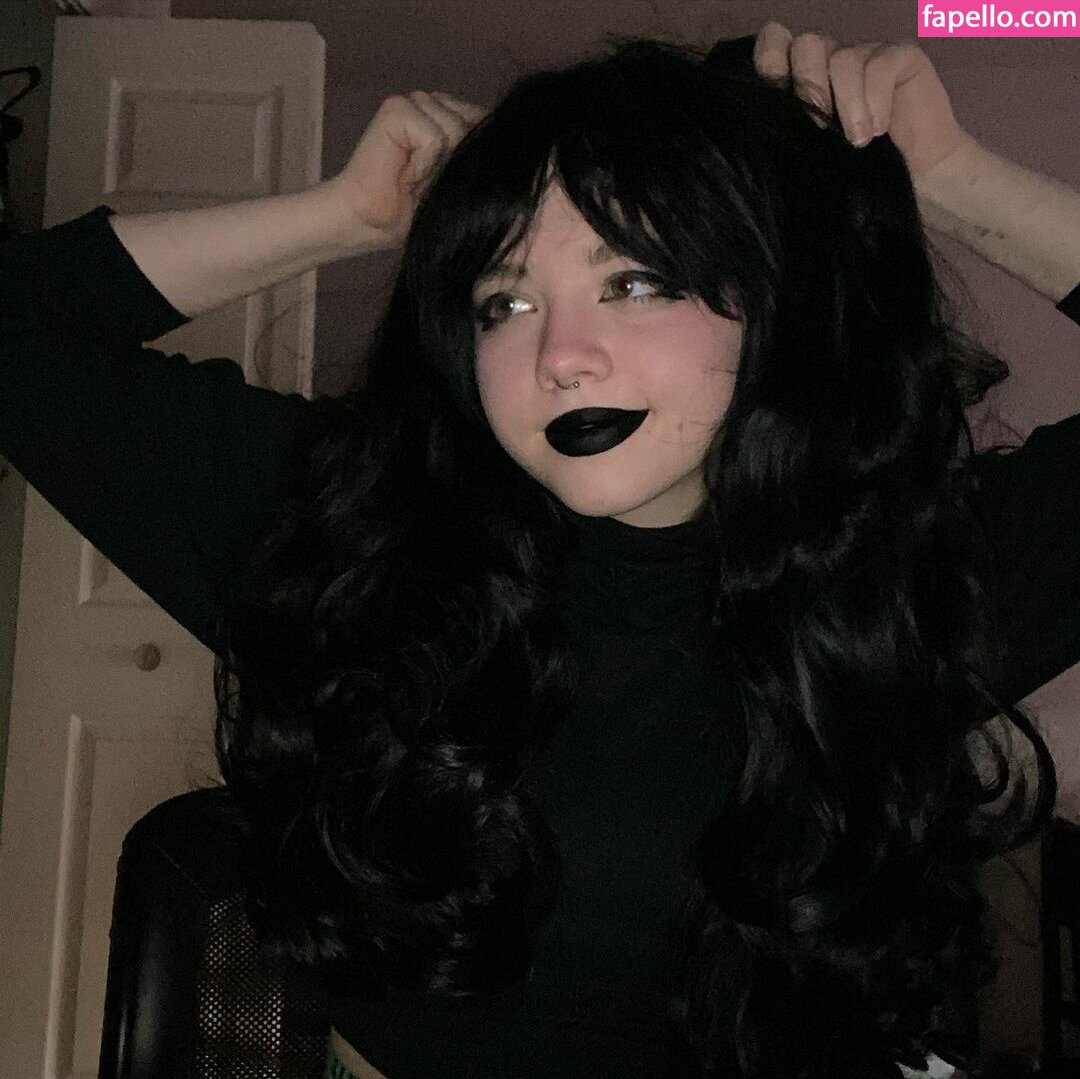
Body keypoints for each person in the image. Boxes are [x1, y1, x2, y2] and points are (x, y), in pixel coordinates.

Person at [3, 20, 1080, 1079]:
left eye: (635, 282)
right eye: (505, 301)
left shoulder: (915, 569)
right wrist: (341, 215)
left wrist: (952, 181)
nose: (561, 354)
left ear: (774, 298)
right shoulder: (356, 530)